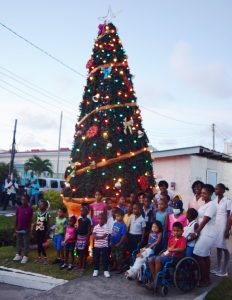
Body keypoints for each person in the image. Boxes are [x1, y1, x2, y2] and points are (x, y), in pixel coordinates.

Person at [148, 222, 186, 289]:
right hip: (168, 256)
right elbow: (168, 249)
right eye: (174, 231)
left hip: (176, 257)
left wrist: (173, 250)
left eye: (178, 231)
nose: (176, 232)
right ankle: (155, 280)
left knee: (158, 259)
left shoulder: (183, 239)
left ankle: (156, 282)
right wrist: (164, 253)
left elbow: (182, 249)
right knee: (150, 259)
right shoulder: (171, 238)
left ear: (182, 231)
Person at [192, 184, 217, 287]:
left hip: (208, 233)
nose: (202, 194)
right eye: (201, 192)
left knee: (198, 254)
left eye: (204, 193)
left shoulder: (212, 205)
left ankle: (204, 279)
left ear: (210, 194)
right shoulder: (204, 204)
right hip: (204, 232)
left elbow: (205, 220)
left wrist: (196, 232)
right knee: (205, 255)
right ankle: (207, 278)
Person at [211, 183, 231, 277]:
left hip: (224, 225)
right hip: (216, 226)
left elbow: (229, 216)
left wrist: (227, 229)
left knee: (225, 248)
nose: (216, 191)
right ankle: (218, 267)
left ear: (223, 190)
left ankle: (224, 270)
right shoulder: (214, 201)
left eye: (218, 189)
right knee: (218, 247)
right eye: (215, 189)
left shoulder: (227, 201)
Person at [13, 195, 33, 264]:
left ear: (28, 200)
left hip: (26, 229)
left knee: (26, 243)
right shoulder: (18, 208)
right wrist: (15, 228)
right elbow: (17, 218)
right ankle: (18, 254)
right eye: (22, 200)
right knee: (18, 242)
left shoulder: (30, 209)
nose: (23, 201)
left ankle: (25, 256)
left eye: (25, 200)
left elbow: (30, 220)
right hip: (19, 228)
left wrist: (29, 229)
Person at [92, 213, 110, 278]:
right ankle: (96, 270)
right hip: (96, 246)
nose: (100, 220)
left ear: (105, 220)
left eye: (102, 219)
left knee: (105, 258)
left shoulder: (106, 227)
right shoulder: (95, 227)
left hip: (104, 246)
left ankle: (106, 270)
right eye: (99, 218)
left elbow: (104, 235)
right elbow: (93, 235)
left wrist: (97, 237)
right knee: (96, 258)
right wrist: (95, 236)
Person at [111, 208, 127, 273]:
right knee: (113, 255)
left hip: (120, 244)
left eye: (119, 216)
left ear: (123, 216)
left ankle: (120, 268)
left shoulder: (123, 225)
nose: (117, 217)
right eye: (116, 216)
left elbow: (123, 235)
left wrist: (120, 243)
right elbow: (113, 232)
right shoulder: (115, 223)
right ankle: (114, 266)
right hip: (113, 243)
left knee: (119, 257)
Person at [76, 206, 91, 271]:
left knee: (84, 252)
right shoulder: (79, 220)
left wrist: (87, 240)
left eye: (83, 211)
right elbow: (79, 228)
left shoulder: (88, 220)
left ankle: (84, 266)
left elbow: (89, 231)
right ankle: (79, 264)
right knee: (79, 252)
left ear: (87, 213)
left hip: (85, 238)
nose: (81, 212)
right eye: (81, 211)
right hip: (79, 238)